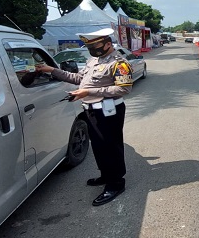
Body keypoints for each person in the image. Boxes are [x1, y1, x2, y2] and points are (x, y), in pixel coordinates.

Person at [36, 28, 133, 206]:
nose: (91, 50)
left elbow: (124, 89)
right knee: (98, 146)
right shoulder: (93, 60)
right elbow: (78, 79)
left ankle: (116, 183)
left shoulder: (119, 63)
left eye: (95, 46)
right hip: (91, 110)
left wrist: (88, 91)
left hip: (108, 111)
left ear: (108, 44)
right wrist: (52, 70)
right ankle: (106, 175)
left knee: (111, 146)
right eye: (89, 47)